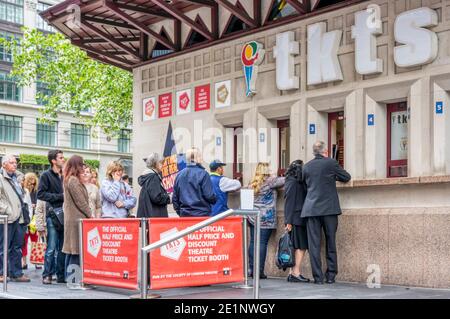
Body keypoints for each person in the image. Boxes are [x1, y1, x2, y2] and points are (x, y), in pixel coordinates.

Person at [302, 141, 351, 284]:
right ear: (326, 151)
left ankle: (318, 278)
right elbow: (346, 177)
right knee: (330, 241)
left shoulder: (306, 167)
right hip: (329, 209)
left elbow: (305, 185)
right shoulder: (331, 163)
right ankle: (331, 275)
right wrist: (332, 177)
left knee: (314, 245)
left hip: (311, 209)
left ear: (314, 152)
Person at [248, 162, 285, 279]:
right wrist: (274, 174)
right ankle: (259, 271)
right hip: (266, 218)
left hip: (253, 217)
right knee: (262, 243)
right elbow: (286, 179)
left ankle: (252, 269)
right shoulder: (271, 181)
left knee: (253, 242)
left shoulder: (252, 183)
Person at [0, 155, 31, 282]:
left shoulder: (16, 178)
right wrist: (8, 210)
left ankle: (16, 273)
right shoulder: (1, 178)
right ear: (3, 165)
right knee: (3, 247)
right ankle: (1, 273)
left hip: (20, 217)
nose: (15, 164)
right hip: (7, 218)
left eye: (15, 162)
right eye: (11, 163)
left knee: (17, 247)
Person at [37, 149, 66, 284]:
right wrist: (60, 197)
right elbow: (41, 194)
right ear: (53, 160)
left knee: (62, 248)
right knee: (51, 247)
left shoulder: (65, 175)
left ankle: (61, 276)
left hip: (65, 214)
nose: (63, 159)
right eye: (60, 157)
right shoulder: (45, 175)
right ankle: (47, 275)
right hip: (53, 215)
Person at [62, 156, 93, 280]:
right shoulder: (73, 180)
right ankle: (73, 280)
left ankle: (68, 278)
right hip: (76, 220)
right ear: (77, 166)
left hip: (73, 219)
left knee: (71, 250)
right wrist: (90, 215)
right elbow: (81, 202)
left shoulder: (70, 179)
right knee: (75, 250)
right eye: (81, 164)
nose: (83, 167)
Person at [284, 160, 310, 283]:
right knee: (301, 246)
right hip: (296, 219)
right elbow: (289, 202)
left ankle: (291, 272)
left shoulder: (292, 181)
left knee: (295, 246)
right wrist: (288, 221)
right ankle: (296, 272)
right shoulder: (294, 183)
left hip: (296, 218)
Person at [172, 148, 216, 217]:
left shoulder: (179, 175)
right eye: (200, 156)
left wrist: (180, 212)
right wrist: (215, 199)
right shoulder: (204, 174)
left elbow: (175, 198)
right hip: (202, 215)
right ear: (196, 158)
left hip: (185, 215)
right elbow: (209, 196)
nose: (202, 158)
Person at [137, 153, 170, 218]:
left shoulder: (148, 177)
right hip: (155, 217)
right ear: (155, 163)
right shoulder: (153, 177)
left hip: (149, 216)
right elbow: (157, 198)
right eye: (160, 163)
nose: (163, 165)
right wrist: (169, 198)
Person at [20, 173, 39, 270]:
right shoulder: (23, 192)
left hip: (35, 220)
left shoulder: (36, 192)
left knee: (35, 241)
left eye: (34, 184)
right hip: (26, 219)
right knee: (24, 242)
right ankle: (24, 262)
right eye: (30, 183)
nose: (32, 185)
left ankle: (36, 261)